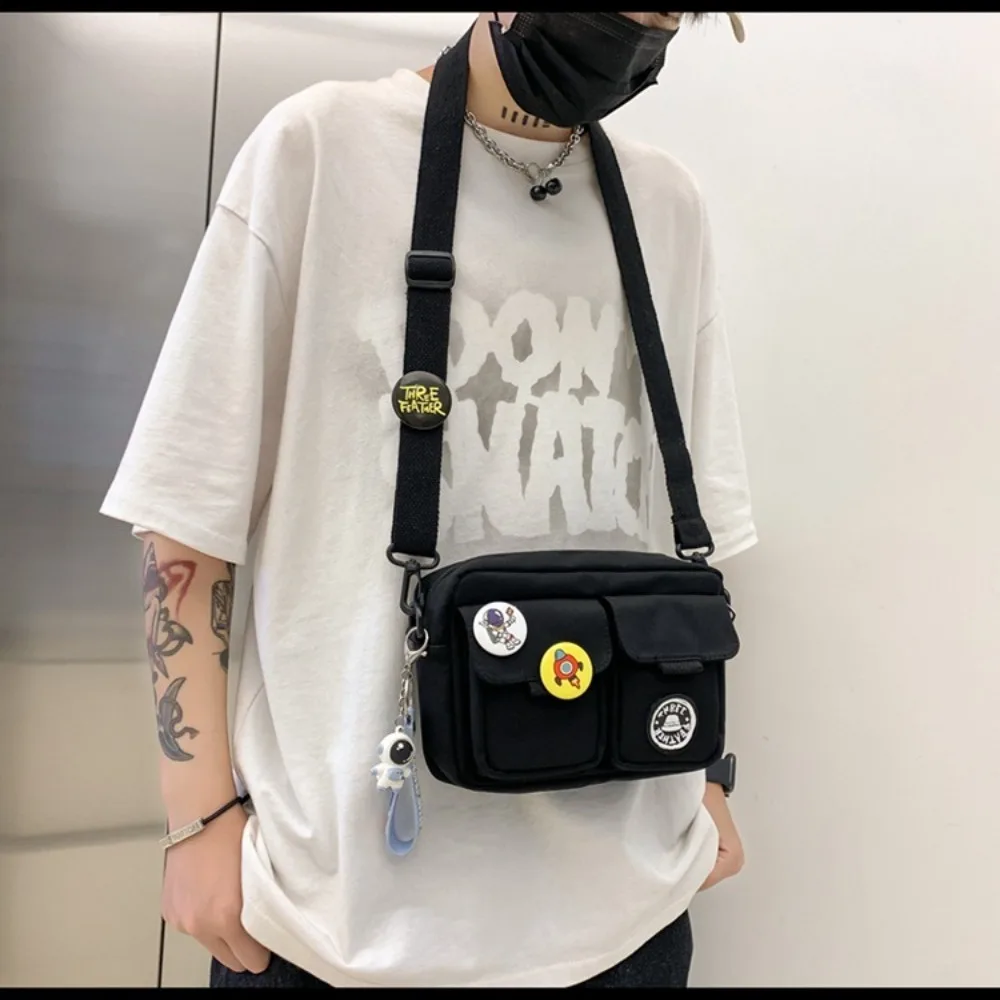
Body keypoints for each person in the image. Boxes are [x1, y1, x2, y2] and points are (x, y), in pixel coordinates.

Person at [101, 11, 757, 989]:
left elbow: (684, 532)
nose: (635, 32)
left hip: (629, 921)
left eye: (667, 15)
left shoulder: (668, 207)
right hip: (335, 927)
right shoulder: (320, 149)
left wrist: (700, 773)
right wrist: (196, 818)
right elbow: (187, 516)